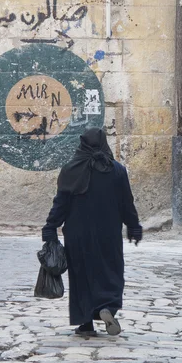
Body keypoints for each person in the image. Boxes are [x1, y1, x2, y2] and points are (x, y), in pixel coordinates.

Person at [42, 127, 142, 337]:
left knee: (81, 275)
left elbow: (60, 203)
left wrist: (50, 228)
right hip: (108, 233)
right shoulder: (116, 170)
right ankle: (107, 307)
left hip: (78, 234)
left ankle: (86, 323)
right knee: (110, 271)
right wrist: (133, 226)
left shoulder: (70, 169)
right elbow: (126, 203)